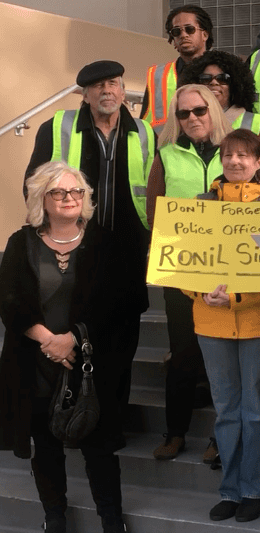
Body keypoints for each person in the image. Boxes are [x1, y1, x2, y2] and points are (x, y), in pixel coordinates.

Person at [1, 161, 148, 533]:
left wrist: (76, 338)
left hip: (94, 366)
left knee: (99, 449)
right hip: (36, 362)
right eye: (59, 193)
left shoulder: (108, 242)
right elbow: (9, 301)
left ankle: (112, 524)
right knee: (45, 448)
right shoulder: (21, 243)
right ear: (41, 199)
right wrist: (48, 340)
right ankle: (55, 519)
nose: (69, 199)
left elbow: (129, 301)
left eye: (76, 192)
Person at [23, 60, 153, 425]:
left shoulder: (145, 132)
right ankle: (73, 415)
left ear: (123, 90)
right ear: (85, 93)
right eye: (97, 86)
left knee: (123, 337)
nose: (106, 91)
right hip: (77, 250)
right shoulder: (59, 127)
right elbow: (33, 185)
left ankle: (112, 417)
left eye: (113, 83)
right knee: (78, 332)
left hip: (128, 254)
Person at [185, 129, 260, 523]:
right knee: (227, 409)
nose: (235, 162)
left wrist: (242, 297)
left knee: (256, 409)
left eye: (245, 156)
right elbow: (182, 266)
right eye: (229, 155)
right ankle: (230, 489)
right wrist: (200, 295)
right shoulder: (199, 205)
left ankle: (255, 489)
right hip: (211, 322)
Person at [145, 84, 231, 462]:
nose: (193, 118)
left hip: (228, 270)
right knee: (181, 354)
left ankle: (219, 437)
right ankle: (175, 432)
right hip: (182, 272)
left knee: (222, 357)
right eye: (184, 113)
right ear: (176, 119)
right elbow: (154, 214)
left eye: (199, 110)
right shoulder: (165, 156)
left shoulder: (236, 152)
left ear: (212, 109)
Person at [141, 5, 214, 129]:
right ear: (173, 39)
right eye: (176, 31)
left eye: (190, 29)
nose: (183, 35)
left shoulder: (224, 72)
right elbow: (145, 124)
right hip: (167, 146)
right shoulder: (158, 76)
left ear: (205, 35)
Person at [178, 50, 260, 133]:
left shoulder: (258, 123)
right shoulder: (186, 122)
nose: (214, 82)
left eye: (223, 79)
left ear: (235, 85)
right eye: (205, 79)